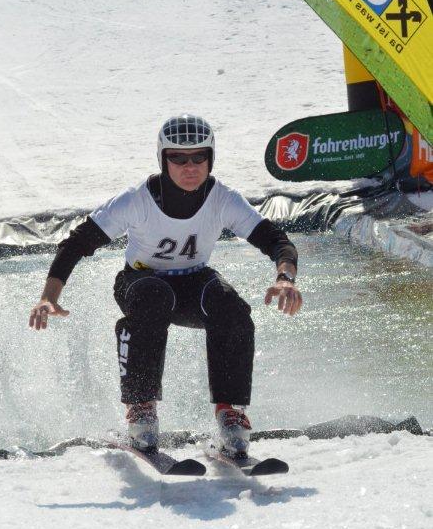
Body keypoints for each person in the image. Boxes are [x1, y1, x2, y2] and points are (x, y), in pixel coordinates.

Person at [29, 114, 302, 456]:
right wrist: (48, 297)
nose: (190, 167)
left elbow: (276, 241)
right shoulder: (137, 200)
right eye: (178, 158)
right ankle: (141, 408)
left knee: (229, 303)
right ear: (163, 159)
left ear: (211, 158)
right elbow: (76, 243)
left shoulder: (222, 198)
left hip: (192, 282)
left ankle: (229, 412)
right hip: (139, 282)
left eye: (199, 157)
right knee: (154, 295)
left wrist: (285, 278)